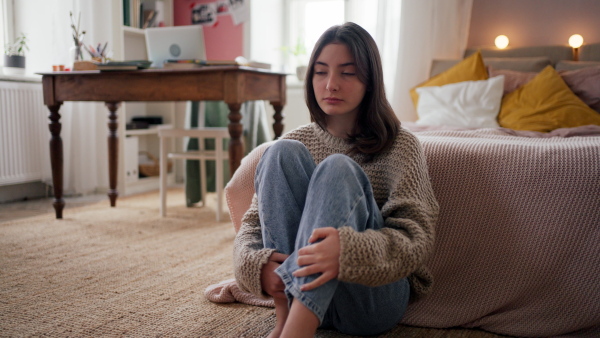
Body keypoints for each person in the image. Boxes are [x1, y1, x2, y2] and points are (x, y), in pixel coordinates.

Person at [233, 22, 439, 337]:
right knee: (279, 151)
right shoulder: (296, 142)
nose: (331, 84)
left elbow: (417, 238)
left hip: (369, 298)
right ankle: (288, 317)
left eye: (347, 72)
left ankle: (295, 331)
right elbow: (250, 227)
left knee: (337, 168)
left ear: (370, 80)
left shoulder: (401, 145)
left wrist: (346, 250)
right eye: (320, 72)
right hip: (297, 293)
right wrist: (256, 267)